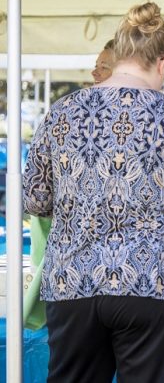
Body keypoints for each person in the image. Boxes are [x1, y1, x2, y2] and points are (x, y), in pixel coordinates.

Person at [22, 1, 164, 382]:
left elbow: (33, 198)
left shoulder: (62, 111)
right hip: (152, 281)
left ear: (118, 56)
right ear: (163, 63)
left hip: (72, 280)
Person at [26, 38, 118, 329]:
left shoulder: (63, 112)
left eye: (104, 67)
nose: (95, 73)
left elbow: (36, 197)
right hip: (126, 280)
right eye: (96, 66)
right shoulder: (158, 119)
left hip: (73, 271)